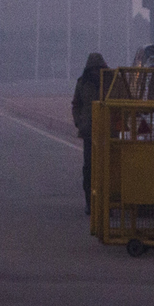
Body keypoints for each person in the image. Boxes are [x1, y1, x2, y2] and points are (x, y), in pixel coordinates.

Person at [70, 52, 110, 206]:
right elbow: (76, 104)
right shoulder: (82, 83)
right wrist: (79, 122)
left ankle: (107, 202)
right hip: (89, 132)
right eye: (93, 69)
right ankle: (90, 201)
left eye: (98, 69)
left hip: (108, 132)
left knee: (107, 168)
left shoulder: (111, 81)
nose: (95, 72)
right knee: (89, 168)